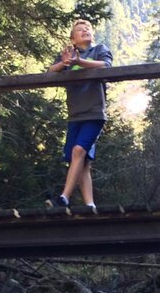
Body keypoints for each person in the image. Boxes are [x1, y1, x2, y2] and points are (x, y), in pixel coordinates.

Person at [47, 19, 113, 209]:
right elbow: (50, 72)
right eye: (80, 29)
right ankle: (90, 204)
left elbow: (106, 65)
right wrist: (64, 63)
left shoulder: (99, 49)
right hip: (75, 114)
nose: (85, 30)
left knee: (78, 151)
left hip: (94, 112)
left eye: (88, 29)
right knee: (81, 160)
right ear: (73, 39)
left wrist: (79, 62)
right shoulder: (69, 53)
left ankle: (64, 197)